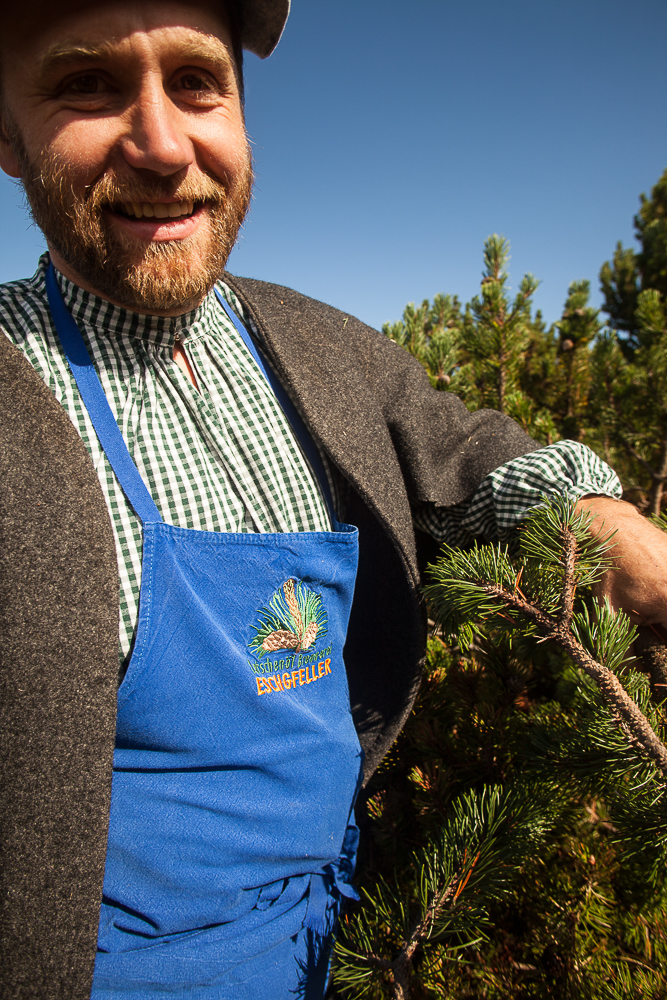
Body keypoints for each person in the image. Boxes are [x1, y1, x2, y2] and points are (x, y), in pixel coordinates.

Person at [1, 1, 667, 997]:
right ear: (7, 137)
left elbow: (458, 445)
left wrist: (607, 527)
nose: (160, 141)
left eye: (195, 81)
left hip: (338, 943)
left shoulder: (307, 340)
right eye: (85, 83)